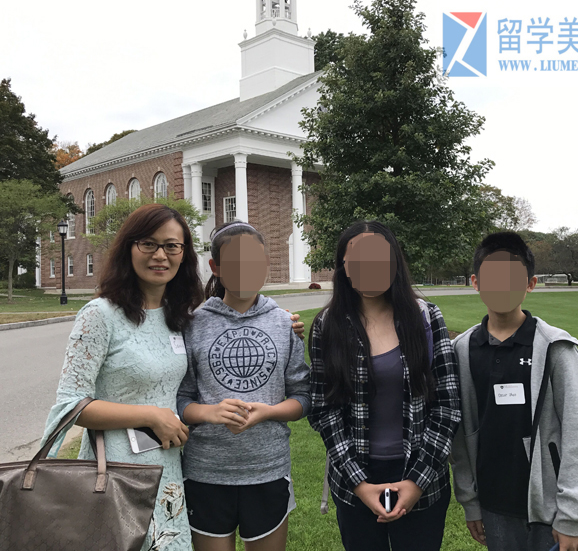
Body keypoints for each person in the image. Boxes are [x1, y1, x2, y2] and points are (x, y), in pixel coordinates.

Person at [42, 205, 305, 551]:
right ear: (129, 247)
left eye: (171, 246)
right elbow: (70, 406)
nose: (160, 255)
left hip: (169, 469)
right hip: (116, 472)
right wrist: (153, 416)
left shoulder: (178, 317)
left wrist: (279, 323)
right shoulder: (100, 314)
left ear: (183, 255)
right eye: (148, 244)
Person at [308, 221, 461, 551]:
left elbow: (447, 406)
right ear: (344, 268)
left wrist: (416, 482)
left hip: (422, 474)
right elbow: (324, 410)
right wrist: (359, 484)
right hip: (354, 478)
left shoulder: (425, 318)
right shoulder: (328, 325)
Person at [450, 232, 578, 551]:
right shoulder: (462, 350)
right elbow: (461, 436)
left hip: (550, 507)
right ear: (476, 282)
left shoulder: (555, 348)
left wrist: (571, 515)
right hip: (494, 504)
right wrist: (470, 502)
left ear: (530, 284)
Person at [177, 221, 311, 551]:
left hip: (268, 469)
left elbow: (303, 396)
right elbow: (180, 399)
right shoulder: (193, 324)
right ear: (216, 267)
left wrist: (268, 412)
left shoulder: (284, 323)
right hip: (206, 471)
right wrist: (209, 413)